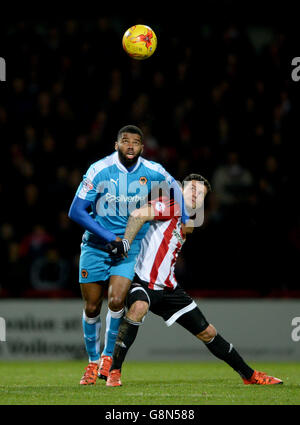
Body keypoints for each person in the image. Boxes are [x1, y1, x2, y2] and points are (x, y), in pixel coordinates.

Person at [105, 174, 283, 387]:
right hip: (141, 281)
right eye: (192, 189)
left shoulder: (186, 221)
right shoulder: (171, 205)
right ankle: (113, 371)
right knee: (139, 307)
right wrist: (126, 243)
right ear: (180, 189)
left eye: (201, 194)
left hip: (168, 288)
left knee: (208, 332)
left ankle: (249, 375)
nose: (196, 194)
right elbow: (138, 214)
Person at [68, 124, 187, 385]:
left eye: (135, 142)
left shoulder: (153, 171)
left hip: (129, 248)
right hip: (96, 246)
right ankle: (91, 361)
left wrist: (186, 219)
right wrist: (111, 238)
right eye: (125, 140)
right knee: (91, 306)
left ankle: (108, 357)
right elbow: (76, 211)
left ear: (142, 148)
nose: (130, 145)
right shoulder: (100, 169)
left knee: (117, 300)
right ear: (116, 145)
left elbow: (176, 189)